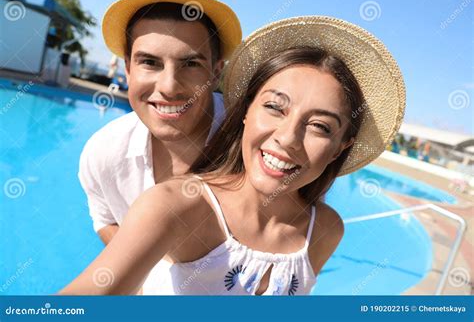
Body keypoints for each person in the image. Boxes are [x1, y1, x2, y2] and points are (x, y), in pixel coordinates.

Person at [61, 16, 405, 295]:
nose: (287, 139)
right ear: (244, 110)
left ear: (341, 146)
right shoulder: (171, 204)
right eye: (274, 107)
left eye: (320, 127)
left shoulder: (326, 230)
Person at [79, 0, 241, 244]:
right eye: (150, 62)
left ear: (215, 72)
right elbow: (106, 219)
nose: (169, 87)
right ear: (128, 69)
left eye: (190, 63)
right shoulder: (103, 154)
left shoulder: (253, 146)